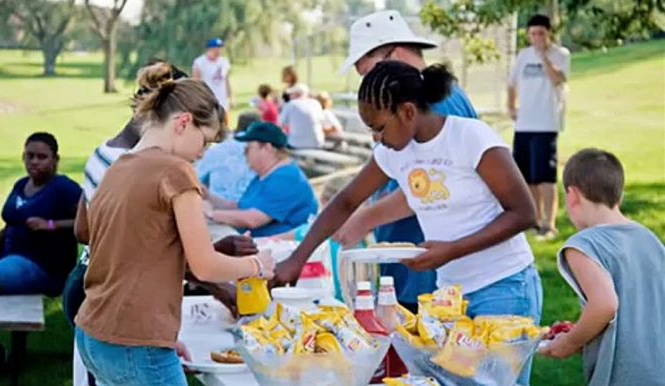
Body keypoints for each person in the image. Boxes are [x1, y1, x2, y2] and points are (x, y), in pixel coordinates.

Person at [275, 61, 541, 385]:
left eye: (379, 128)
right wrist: (296, 259)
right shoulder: (395, 152)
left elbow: (524, 212)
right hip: (451, 296)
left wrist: (452, 250)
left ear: (408, 112)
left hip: (504, 286)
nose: (375, 139)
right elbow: (345, 202)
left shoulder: (470, 137)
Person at [63, 60, 256, 386]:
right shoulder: (175, 171)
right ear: (183, 122)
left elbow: (123, 251)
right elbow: (205, 266)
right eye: (205, 141)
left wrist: (162, 336)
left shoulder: (119, 165)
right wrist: (256, 265)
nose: (201, 154)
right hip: (134, 343)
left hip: (94, 334)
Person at [332, 10, 479, 313]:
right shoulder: (424, 98)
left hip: (429, 272)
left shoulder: (436, 104)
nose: (370, 85)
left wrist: (364, 219)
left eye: (370, 72)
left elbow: (433, 184)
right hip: (409, 264)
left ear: (394, 54)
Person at [538, 149, 665, 386]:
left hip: (625, 375)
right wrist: (582, 329)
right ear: (619, 195)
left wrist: (569, 342)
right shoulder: (648, 238)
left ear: (572, 195)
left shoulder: (583, 245)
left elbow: (605, 305)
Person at [0, 132, 82, 368]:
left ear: (55, 160)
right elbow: (10, 225)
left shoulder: (63, 188)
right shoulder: (21, 185)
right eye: (30, 156)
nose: (34, 161)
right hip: (10, 257)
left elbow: (91, 222)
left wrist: (51, 224)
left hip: (43, 265)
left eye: (42, 157)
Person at [508, 14, 570, 240]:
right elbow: (511, 83)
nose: (537, 37)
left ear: (548, 33)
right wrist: (511, 106)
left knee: (545, 177)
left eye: (541, 33)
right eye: (533, 33)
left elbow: (557, 80)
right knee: (528, 177)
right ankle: (534, 220)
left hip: (546, 123)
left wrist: (544, 54)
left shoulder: (560, 55)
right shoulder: (522, 56)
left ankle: (549, 223)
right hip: (524, 124)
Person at [203, 122, 318, 238]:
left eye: (248, 149)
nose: (244, 154)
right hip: (260, 242)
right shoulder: (266, 174)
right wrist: (209, 197)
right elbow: (240, 207)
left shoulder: (286, 178)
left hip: (282, 247)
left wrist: (211, 214)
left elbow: (254, 219)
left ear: (267, 148)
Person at [270, 175, 362, 301]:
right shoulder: (363, 233)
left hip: (320, 302)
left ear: (323, 200)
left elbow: (270, 242)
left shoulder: (306, 232)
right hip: (357, 303)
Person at [194, 112, 259, 202]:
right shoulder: (268, 152)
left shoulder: (216, 150)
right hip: (256, 209)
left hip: (217, 208)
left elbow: (196, 179)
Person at [192, 37, 232, 121]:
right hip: (208, 98)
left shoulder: (224, 62)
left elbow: (227, 81)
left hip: (222, 99)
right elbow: (195, 81)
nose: (218, 51)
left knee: (224, 122)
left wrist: (230, 96)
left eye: (219, 48)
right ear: (210, 49)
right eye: (216, 48)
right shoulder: (200, 62)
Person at [278, 84, 326, 149]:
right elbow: (321, 122)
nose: (289, 96)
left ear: (296, 94)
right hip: (317, 143)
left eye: (291, 94)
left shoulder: (290, 104)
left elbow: (280, 124)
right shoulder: (316, 103)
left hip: (296, 144)